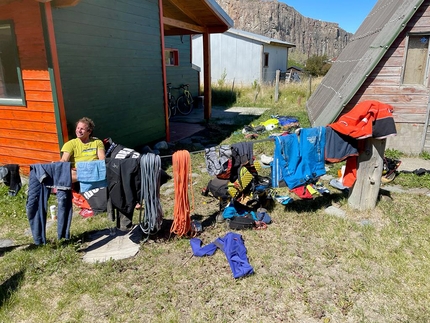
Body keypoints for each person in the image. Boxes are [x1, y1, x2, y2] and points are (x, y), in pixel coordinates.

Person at [60, 117, 105, 182]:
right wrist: (58, 164)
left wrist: (92, 168)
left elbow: (102, 159)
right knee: (67, 175)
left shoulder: (97, 142)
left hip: (94, 169)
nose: (78, 131)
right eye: (78, 128)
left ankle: (89, 177)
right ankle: (91, 177)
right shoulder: (70, 144)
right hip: (79, 171)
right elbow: (64, 159)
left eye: (82, 129)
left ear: (89, 131)